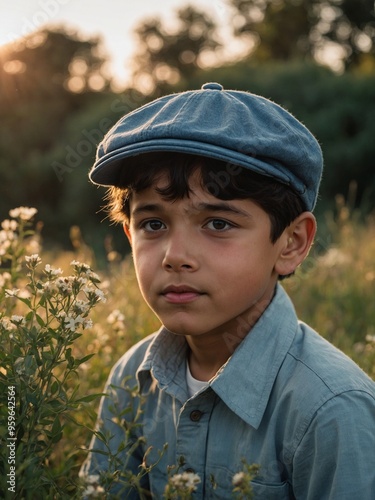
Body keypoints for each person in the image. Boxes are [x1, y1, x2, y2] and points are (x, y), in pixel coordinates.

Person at [80, 82, 375, 499]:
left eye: (218, 223)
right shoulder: (132, 378)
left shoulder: (331, 410)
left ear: (291, 244)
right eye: (153, 224)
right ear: (129, 235)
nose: (175, 256)